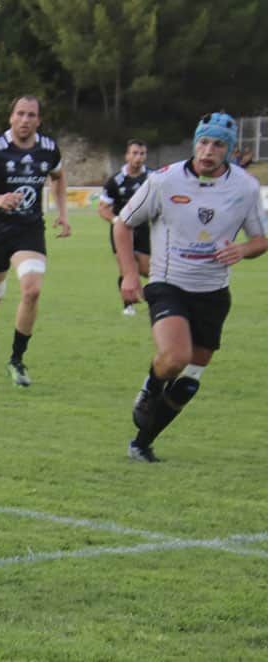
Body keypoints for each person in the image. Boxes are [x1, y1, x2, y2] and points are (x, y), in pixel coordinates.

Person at [115, 112, 266, 462]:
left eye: (217, 144)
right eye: (203, 142)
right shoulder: (164, 181)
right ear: (195, 142)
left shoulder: (244, 187)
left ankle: (142, 441)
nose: (207, 150)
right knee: (176, 357)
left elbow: (261, 240)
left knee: (188, 381)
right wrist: (130, 274)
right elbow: (123, 225)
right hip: (169, 283)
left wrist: (242, 249)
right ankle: (150, 387)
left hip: (213, 293)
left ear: (228, 150)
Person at [0, 95, 69, 387]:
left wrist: (62, 213)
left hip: (29, 230)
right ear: (11, 117)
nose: (25, 120)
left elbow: (59, 177)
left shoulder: (48, 148)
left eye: (31, 115)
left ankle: (16, 360)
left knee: (32, 290)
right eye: (20, 114)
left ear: (39, 120)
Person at [99, 140, 151, 316]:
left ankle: (149, 297)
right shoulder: (115, 181)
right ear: (127, 155)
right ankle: (128, 305)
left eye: (142, 153)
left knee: (146, 270)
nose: (138, 157)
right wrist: (117, 222)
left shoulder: (152, 178)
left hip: (143, 230)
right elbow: (103, 209)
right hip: (120, 232)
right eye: (135, 153)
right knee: (126, 268)